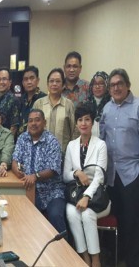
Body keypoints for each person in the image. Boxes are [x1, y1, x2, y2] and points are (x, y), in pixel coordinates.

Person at [100, 68, 139, 266]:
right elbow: (102, 138)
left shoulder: (137, 106)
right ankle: (117, 258)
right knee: (115, 217)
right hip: (111, 175)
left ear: (127, 85)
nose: (116, 88)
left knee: (132, 221)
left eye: (119, 84)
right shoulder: (106, 108)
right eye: (112, 85)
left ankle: (132, 262)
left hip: (132, 174)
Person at [63, 103, 110, 267]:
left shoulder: (100, 145)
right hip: (76, 193)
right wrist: (77, 173)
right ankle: (84, 257)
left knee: (87, 214)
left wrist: (86, 197)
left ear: (92, 123)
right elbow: (65, 175)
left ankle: (96, 258)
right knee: (71, 212)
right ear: (76, 124)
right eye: (80, 120)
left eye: (87, 120)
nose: (83, 123)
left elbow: (99, 177)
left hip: (97, 196)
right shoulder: (71, 145)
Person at [12, 109, 66, 233]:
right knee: (20, 215)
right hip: (29, 190)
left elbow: (53, 169)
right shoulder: (22, 138)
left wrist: (35, 176)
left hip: (52, 191)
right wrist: (16, 170)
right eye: (30, 121)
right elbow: (15, 159)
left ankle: (63, 250)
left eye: (37, 120)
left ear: (44, 122)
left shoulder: (52, 141)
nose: (33, 123)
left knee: (55, 216)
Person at [33, 68, 75, 153]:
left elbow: (74, 131)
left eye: (58, 81)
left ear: (63, 85)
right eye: (51, 81)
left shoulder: (69, 105)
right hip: (41, 155)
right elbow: (31, 129)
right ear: (47, 85)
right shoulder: (38, 104)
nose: (54, 84)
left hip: (63, 155)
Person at [18, 66, 46, 135]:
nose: (29, 82)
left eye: (32, 78)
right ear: (23, 83)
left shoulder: (44, 99)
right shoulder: (20, 100)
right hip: (21, 140)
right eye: (26, 79)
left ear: (38, 80)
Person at [0, 67, 20, 134]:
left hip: (6, 141)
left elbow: (14, 127)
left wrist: (5, 143)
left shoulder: (14, 100)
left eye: (4, 79)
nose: (1, 82)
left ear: (10, 82)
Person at [87, 71, 110, 137]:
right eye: (94, 84)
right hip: (90, 143)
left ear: (107, 86)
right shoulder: (86, 104)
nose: (97, 87)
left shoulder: (111, 104)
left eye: (101, 84)